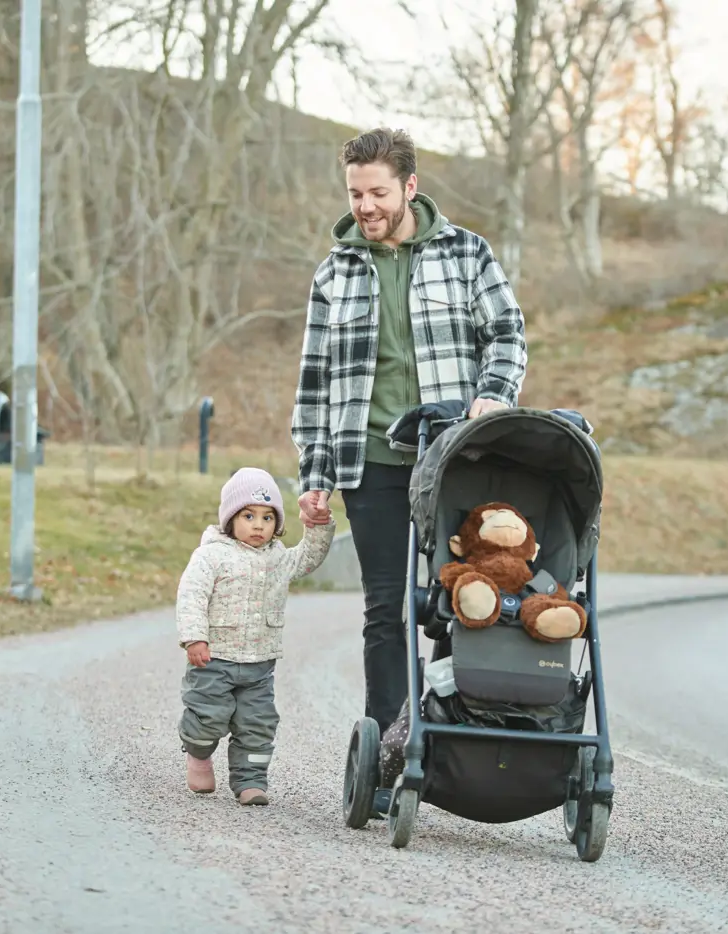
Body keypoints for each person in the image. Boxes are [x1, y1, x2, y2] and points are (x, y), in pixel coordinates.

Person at [290, 127, 528, 810]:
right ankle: (392, 752)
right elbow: (313, 381)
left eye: (377, 192)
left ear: (410, 188)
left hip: (452, 458)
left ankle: (462, 739)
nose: (364, 206)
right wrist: (315, 474)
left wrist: (494, 395)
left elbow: (508, 335)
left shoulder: (465, 253)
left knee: (459, 600)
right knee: (384, 611)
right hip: (369, 462)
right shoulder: (335, 272)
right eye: (355, 194)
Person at [175, 466, 335, 806]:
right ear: (230, 519)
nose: (259, 525)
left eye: (267, 517)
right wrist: (194, 638)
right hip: (213, 659)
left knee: (258, 725)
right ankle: (199, 755)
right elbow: (191, 596)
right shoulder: (211, 556)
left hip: (259, 664)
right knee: (207, 717)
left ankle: (251, 781)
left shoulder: (277, 558)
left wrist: (318, 526)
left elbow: (308, 558)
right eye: (248, 515)